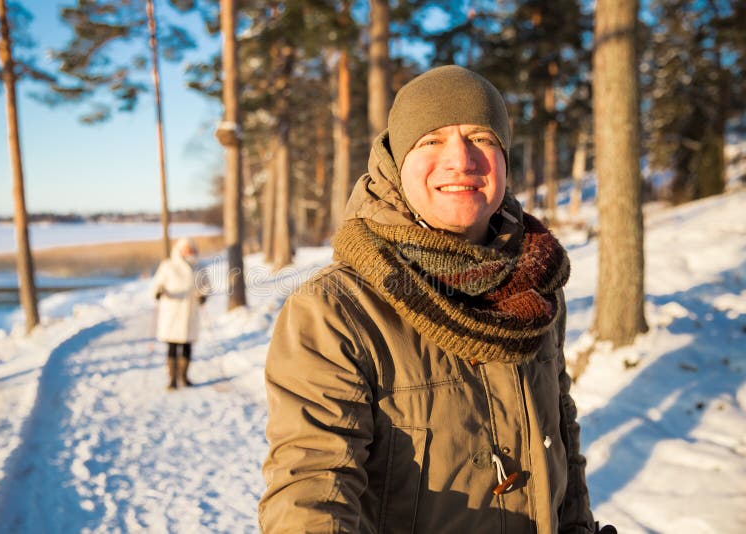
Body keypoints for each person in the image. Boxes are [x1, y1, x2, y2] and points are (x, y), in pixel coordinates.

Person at [259, 65, 614, 533]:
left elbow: (561, 434)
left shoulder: (537, 283)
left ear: (504, 159)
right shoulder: (335, 310)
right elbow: (311, 488)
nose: (461, 160)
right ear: (395, 164)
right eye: (430, 141)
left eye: (482, 138)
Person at [151, 237, 205, 390]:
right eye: (186, 248)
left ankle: (184, 376)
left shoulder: (199, 267)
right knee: (172, 345)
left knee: (187, 345)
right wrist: (158, 291)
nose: (189, 251)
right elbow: (157, 283)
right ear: (180, 249)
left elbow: (205, 285)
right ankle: (172, 379)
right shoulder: (168, 265)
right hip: (172, 311)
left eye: (191, 248)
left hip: (189, 311)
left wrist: (203, 296)